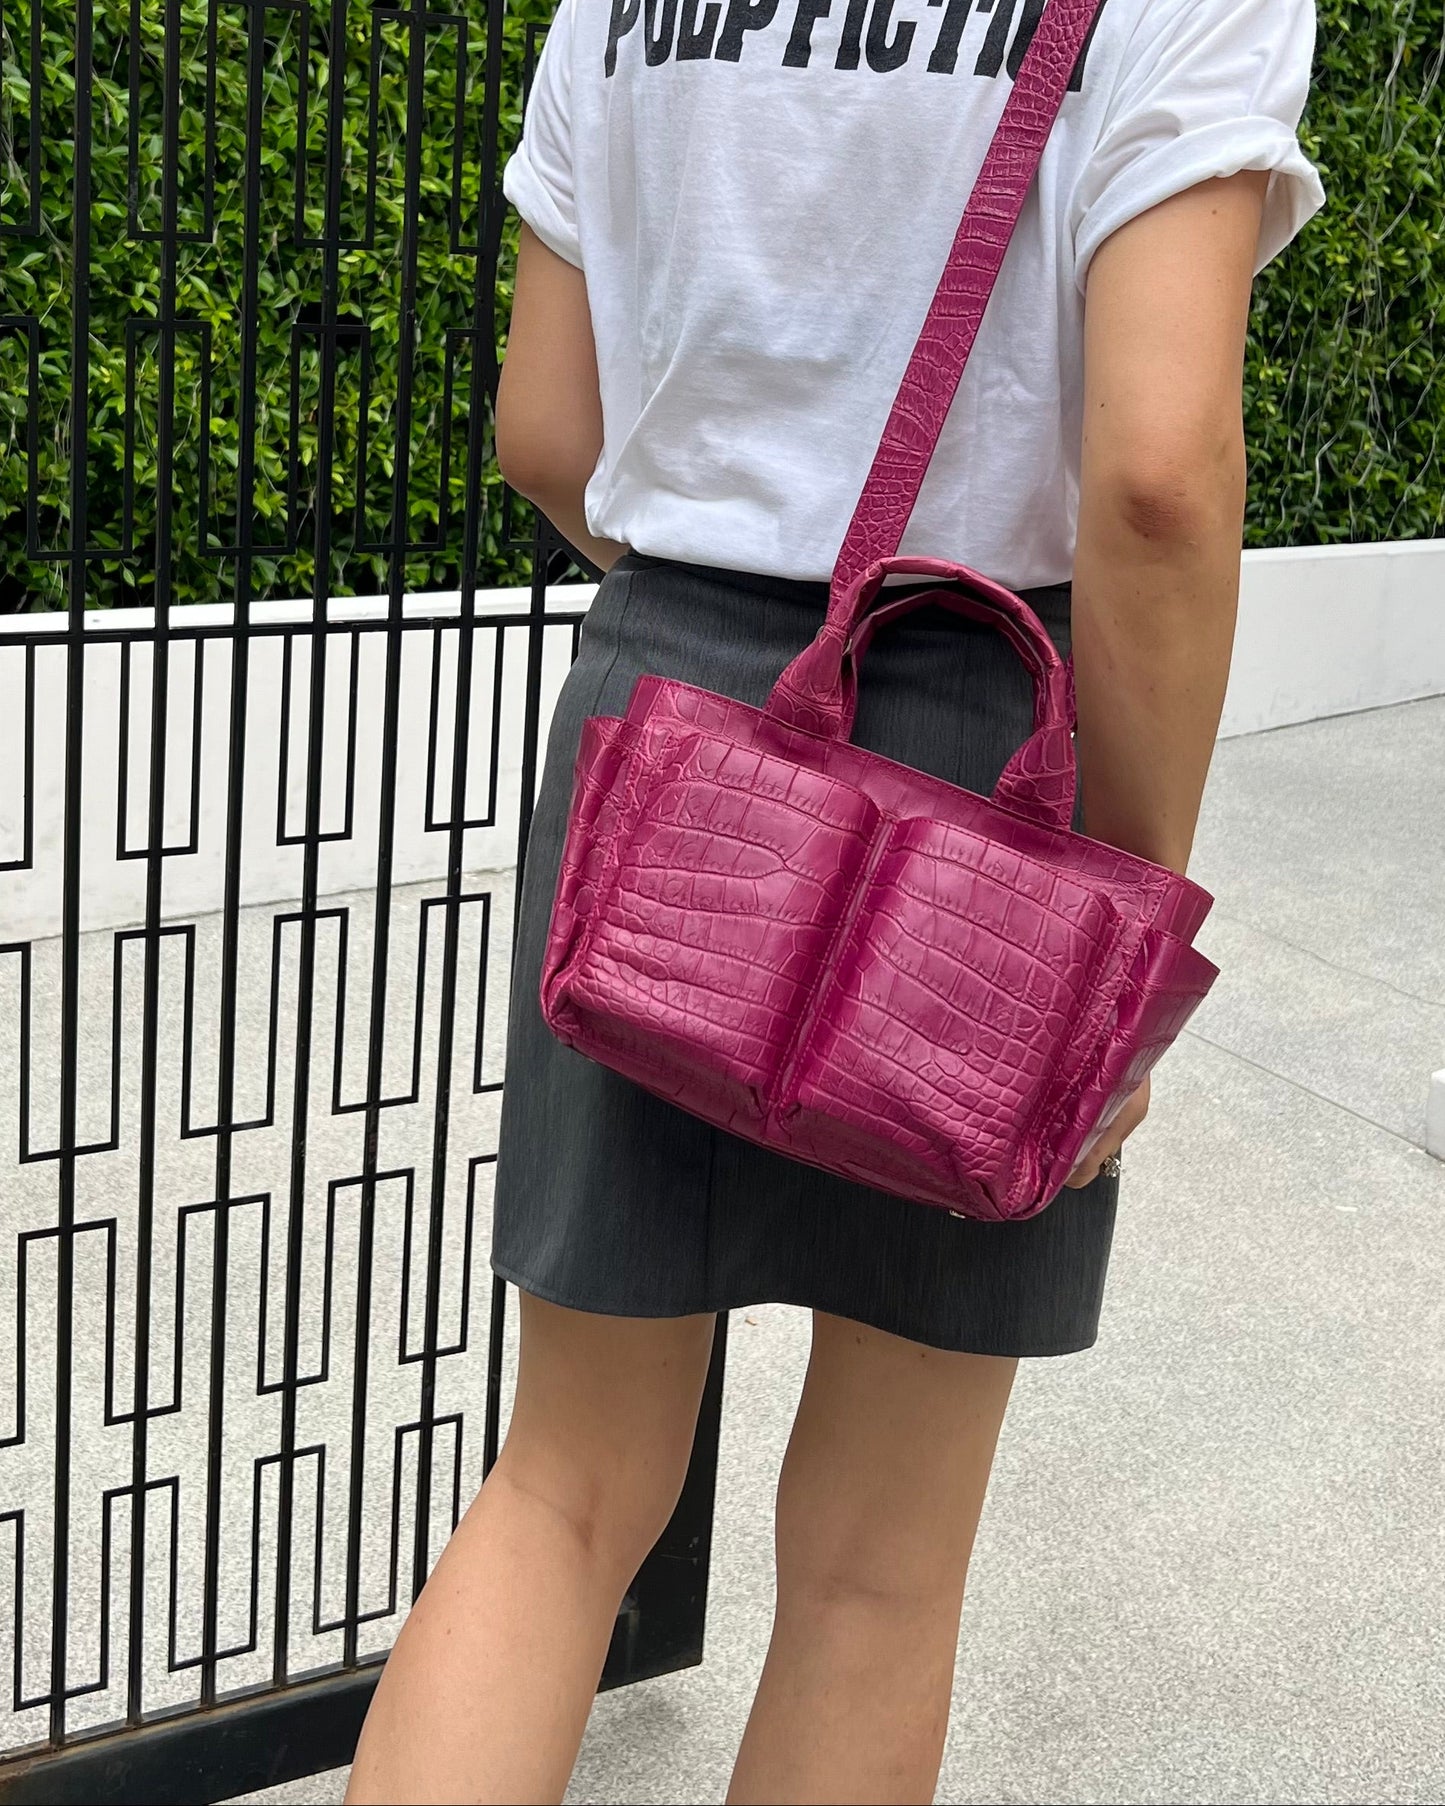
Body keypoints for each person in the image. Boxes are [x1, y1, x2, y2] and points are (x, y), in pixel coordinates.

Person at [347, 0, 1324, 1799]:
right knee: (877, 1566)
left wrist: (733, 593)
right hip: (992, 744)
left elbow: (546, 427)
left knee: (560, 1494)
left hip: (672, 730)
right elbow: (1157, 477)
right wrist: (1128, 910)